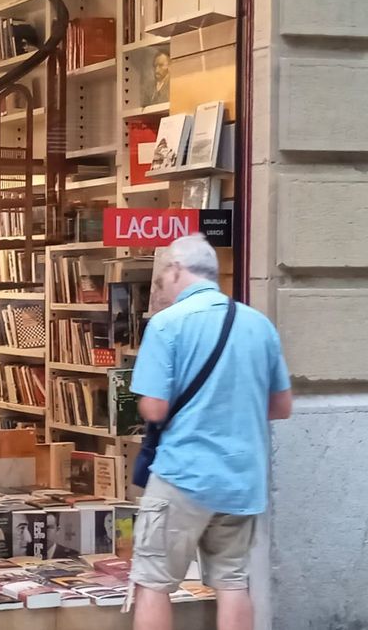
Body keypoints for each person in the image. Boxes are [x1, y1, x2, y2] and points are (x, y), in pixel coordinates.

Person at [128, 234, 293, 630]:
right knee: (233, 582)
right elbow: (281, 407)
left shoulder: (167, 325)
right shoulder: (258, 324)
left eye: (160, 279)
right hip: (241, 479)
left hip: (183, 473)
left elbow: (155, 407)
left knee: (152, 582)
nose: (159, 289)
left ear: (175, 271)